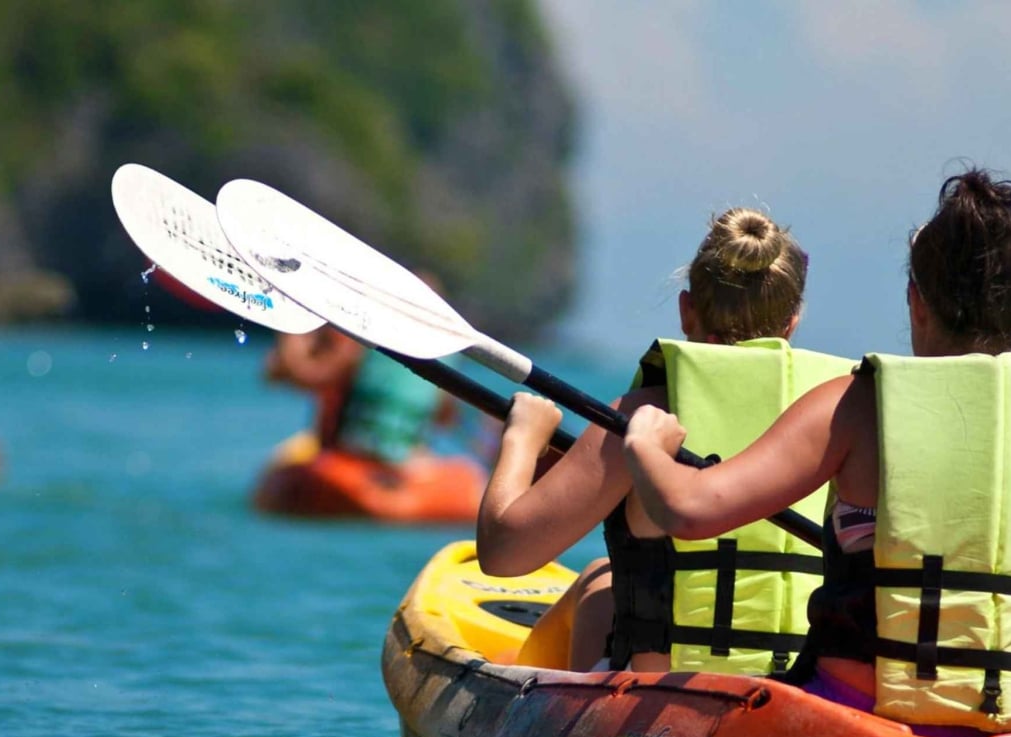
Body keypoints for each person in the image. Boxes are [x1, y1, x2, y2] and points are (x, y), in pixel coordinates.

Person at [623, 169, 1011, 737]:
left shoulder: (859, 408)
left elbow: (691, 509)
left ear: (916, 303)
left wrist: (647, 442)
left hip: (859, 718)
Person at [477, 207, 852, 672]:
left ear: (685, 311)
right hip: (802, 689)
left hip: (657, 698)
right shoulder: (841, 418)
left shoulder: (646, 413)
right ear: (792, 323)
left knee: (598, 584)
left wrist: (523, 438)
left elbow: (503, 555)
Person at [264, 322, 453, 465]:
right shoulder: (440, 348)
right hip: (412, 456)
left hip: (353, 451)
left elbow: (303, 375)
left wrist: (287, 335)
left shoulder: (356, 334)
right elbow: (445, 416)